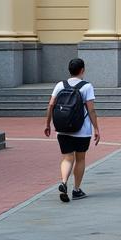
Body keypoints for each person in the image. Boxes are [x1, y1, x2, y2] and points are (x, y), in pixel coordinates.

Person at [43, 57, 100, 202]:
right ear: (82, 70)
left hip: (62, 129)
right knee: (80, 159)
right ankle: (76, 189)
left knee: (67, 158)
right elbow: (91, 110)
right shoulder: (87, 86)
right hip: (82, 130)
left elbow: (51, 105)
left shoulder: (60, 85)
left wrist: (48, 124)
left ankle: (63, 182)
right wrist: (97, 129)